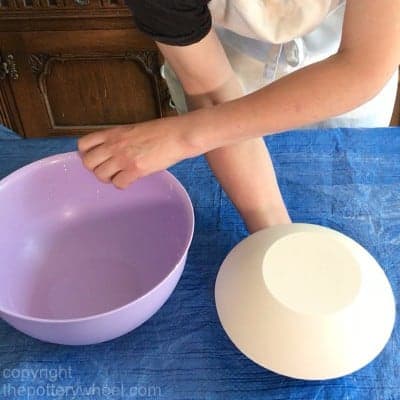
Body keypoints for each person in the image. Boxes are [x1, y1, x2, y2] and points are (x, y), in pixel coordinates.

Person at [78, 0, 400, 233]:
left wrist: (184, 136)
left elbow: (362, 63)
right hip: (221, 55)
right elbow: (211, 91)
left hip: (347, 46)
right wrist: (274, 234)